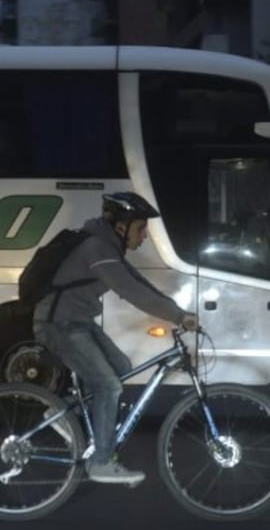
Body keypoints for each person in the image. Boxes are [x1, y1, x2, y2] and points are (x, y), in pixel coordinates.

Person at [33, 191, 197, 485]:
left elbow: (138, 282)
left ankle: (64, 416)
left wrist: (178, 311)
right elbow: (131, 292)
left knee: (121, 366)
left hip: (77, 321)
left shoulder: (106, 248)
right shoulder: (97, 248)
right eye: (140, 228)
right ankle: (101, 462)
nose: (144, 235)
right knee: (107, 385)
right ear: (121, 226)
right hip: (60, 324)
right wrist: (177, 317)